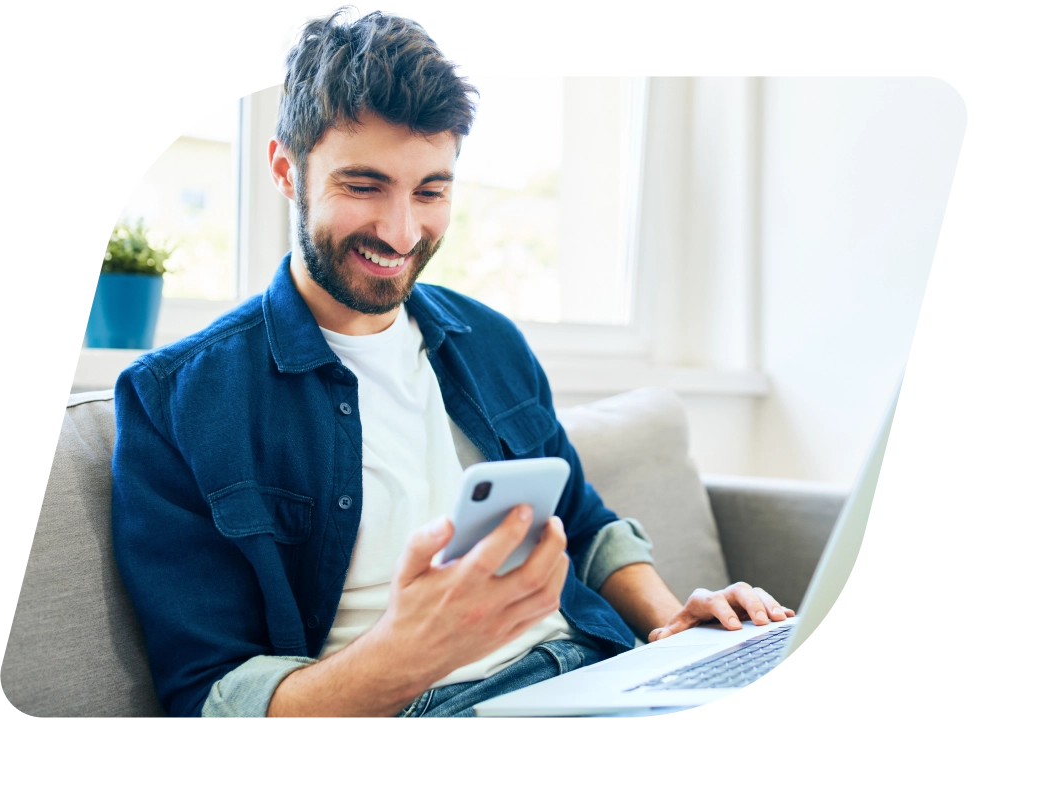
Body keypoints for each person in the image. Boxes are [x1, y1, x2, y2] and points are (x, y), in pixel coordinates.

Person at [111, 5, 793, 720]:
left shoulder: (488, 341)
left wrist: (671, 626)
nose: (402, 232)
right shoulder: (177, 402)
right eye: (364, 186)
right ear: (287, 169)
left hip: (599, 669)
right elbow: (211, 705)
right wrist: (409, 654)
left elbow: (582, 523)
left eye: (431, 190)